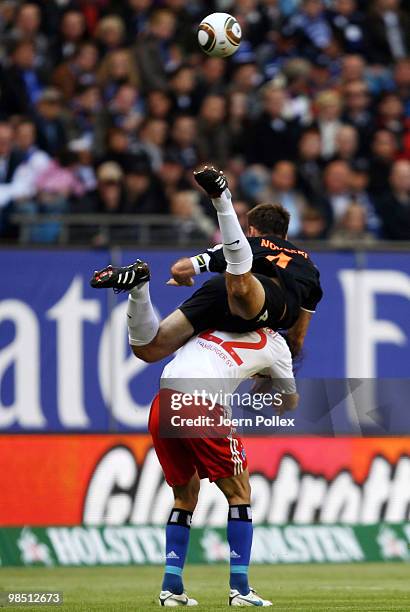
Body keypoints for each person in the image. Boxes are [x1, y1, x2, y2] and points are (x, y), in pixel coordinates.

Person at [90, 166, 323, 362]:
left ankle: (138, 287)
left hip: (219, 289)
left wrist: (183, 278)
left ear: (251, 230)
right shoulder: (308, 266)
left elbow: (179, 269)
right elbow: (296, 338)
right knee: (242, 291)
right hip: (260, 295)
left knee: (149, 349)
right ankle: (222, 200)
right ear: (285, 235)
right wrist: (276, 373)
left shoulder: (251, 244)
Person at [151, 323, 297, 606]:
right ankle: (240, 590)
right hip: (201, 402)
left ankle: (171, 588)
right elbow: (290, 399)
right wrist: (280, 395)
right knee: (240, 493)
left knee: (185, 496)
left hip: (163, 402)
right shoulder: (279, 345)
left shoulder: (214, 321)